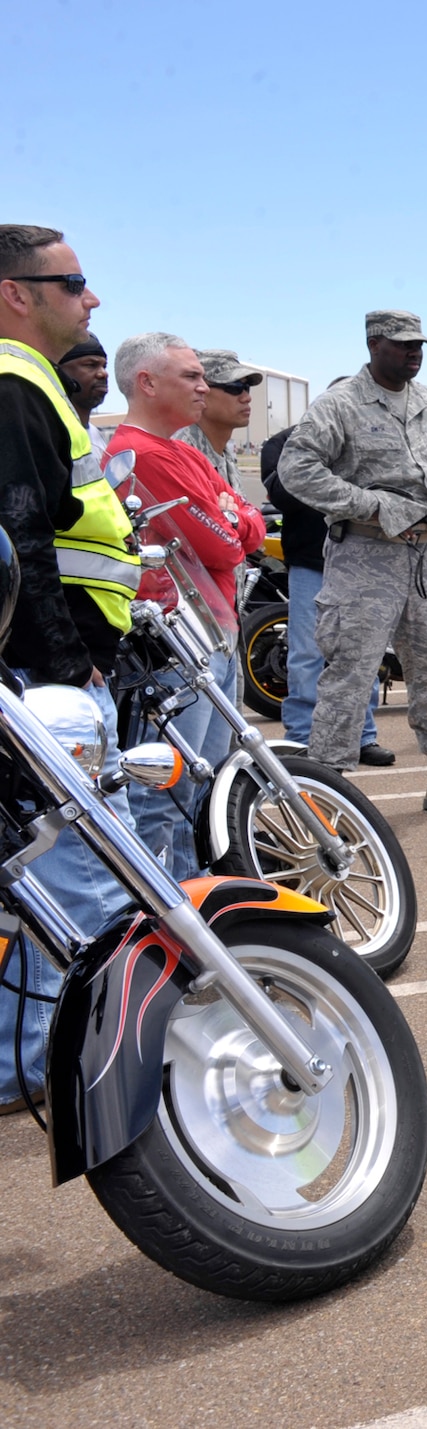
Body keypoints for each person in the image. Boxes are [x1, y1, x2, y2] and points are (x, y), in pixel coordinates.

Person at [0, 224, 137, 1115]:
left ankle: (25, 1059)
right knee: (79, 868)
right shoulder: (14, 382)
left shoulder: (33, 382)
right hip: (45, 673)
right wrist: (69, 664)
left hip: (52, 661)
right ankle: (66, 1063)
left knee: (43, 872)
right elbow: (23, 534)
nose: (91, 300)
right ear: (17, 292)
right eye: (74, 282)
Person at [276, 310, 427, 816]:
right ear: (374, 344)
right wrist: (371, 504)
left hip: (424, 559)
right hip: (363, 557)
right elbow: (296, 469)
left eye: (419, 345)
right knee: (350, 675)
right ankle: (325, 801)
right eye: (402, 345)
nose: (414, 353)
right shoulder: (341, 404)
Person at [107, 333, 267, 877]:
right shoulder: (141, 454)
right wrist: (235, 520)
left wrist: (236, 518)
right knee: (169, 790)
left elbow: (247, 523)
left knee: (208, 783)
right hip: (177, 644)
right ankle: (171, 908)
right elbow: (223, 542)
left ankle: (197, 893)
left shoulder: (184, 451)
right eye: (191, 377)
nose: (205, 387)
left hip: (212, 633)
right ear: (146, 383)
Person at [265, 390, 394, 763]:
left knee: (364, 652)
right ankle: (302, 736)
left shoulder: (372, 441)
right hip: (310, 562)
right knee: (307, 651)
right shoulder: (285, 442)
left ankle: (362, 735)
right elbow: (282, 492)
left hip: (363, 560)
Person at [173, 349, 260, 494]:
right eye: (235, 387)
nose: (246, 398)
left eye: (246, 388)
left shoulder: (224, 453)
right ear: (201, 391)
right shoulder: (181, 456)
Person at [56, 334, 112, 469]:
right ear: (60, 372)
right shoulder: (54, 434)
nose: (103, 373)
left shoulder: (96, 434)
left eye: (104, 366)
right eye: (91, 365)